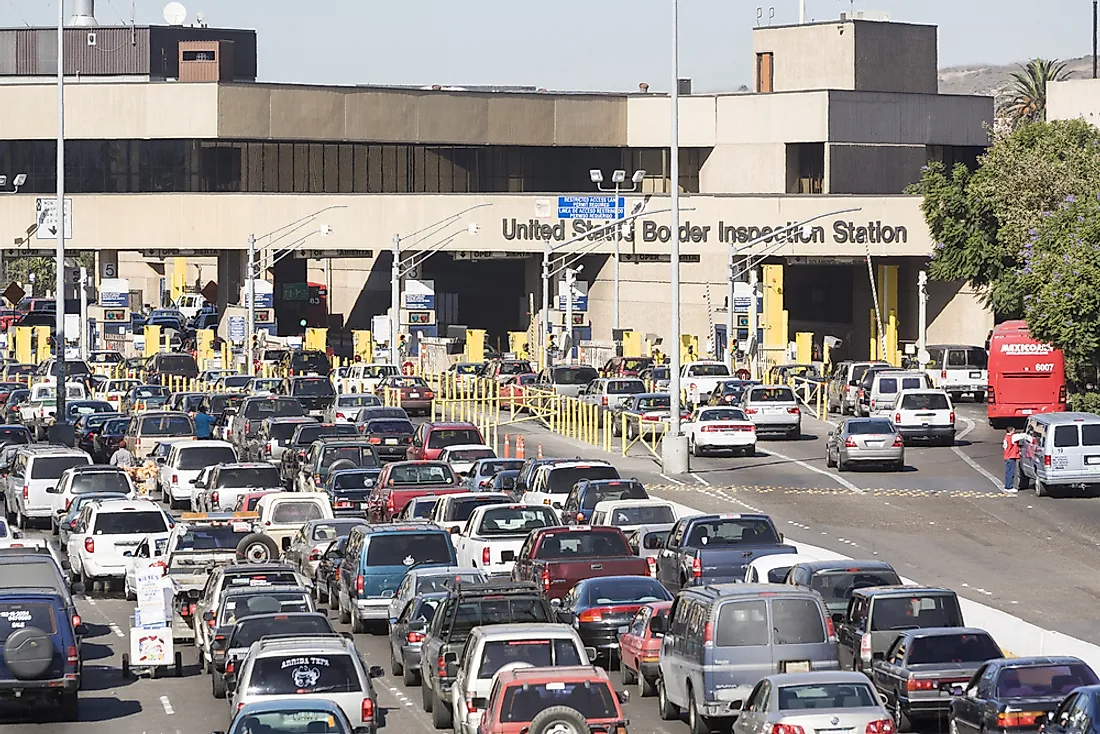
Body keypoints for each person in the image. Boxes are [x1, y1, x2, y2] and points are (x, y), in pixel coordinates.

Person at [1003, 426, 1025, 490]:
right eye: (1014, 430)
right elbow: (1022, 436)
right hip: (1011, 456)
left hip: (1007, 457)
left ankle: (1007, 486)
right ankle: (1010, 487)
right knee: (1011, 472)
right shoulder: (1012, 437)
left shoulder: (1006, 437)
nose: (1014, 432)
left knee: (1008, 472)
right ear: (1011, 431)